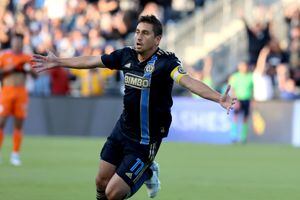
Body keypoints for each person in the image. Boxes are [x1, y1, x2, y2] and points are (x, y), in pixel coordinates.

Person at [32, 15, 236, 200]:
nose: (138, 37)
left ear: (157, 40)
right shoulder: (125, 55)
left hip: (145, 140)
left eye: (145, 33)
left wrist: (218, 98)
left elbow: (188, 81)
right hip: (122, 130)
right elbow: (93, 60)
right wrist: (59, 61)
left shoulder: (167, 62)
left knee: (113, 194)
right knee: (101, 183)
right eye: (137, 32)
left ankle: (147, 171)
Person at [0, 33, 37, 166]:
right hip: (7, 91)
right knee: (1, 122)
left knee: (18, 124)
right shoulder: (4, 56)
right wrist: (10, 69)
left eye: (19, 42)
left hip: (21, 91)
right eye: (15, 42)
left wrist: (27, 69)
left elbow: (35, 75)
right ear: (12, 43)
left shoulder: (26, 58)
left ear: (22, 43)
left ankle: (15, 154)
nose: (17, 44)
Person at [229, 62, 253, 144]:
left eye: (245, 66)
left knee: (245, 118)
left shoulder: (250, 76)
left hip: (247, 99)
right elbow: (233, 89)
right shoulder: (235, 76)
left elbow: (252, 89)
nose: (244, 68)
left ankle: (243, 137)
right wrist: (236, 100)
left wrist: (253, 100)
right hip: (238, 99)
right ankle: (234, 136)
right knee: (235, 117)